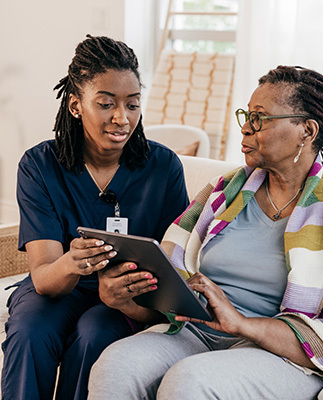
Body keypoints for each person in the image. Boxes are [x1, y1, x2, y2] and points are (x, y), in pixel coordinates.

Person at [88, 65, 323, 400]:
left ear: (306, 131)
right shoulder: (224, 193)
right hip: (199, 331)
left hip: (285, 356)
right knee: (115, 364)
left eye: (260, 118)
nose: (246, 128)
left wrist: (243, 324)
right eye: (246, 116)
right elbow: (174, 288)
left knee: (190, 380)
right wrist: (127, 301)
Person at [1, 35, 189, 400]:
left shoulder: (163, 167)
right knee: (29, 331)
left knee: (95, 334)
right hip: (61, 284)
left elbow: (175, 267)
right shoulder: (40, 166)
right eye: (106, 104)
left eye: (133, 105)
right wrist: (74, 262)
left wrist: (130, 297)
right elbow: (45, 280)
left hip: (125, 297)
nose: (122, 118)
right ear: (75, 105)